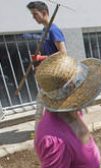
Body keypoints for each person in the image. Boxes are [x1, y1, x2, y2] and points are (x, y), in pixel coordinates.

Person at [27, 1, 67, 129]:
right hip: (49, 74)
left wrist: (41, 58)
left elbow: (63, 53)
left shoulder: (53, 30)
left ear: (44, 13)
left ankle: (42, 131)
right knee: (44, 103)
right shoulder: (45, 30)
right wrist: (40, 58)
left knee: (49, 103)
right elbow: (50, 52)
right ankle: (42, 129)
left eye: (35, 14)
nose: (33, 18)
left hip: (57, 75)